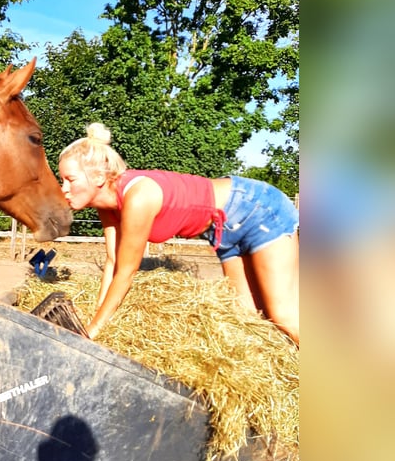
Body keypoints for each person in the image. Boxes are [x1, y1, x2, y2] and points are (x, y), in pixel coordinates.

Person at [58, 123, 299, 345]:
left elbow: (127, 272)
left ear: (98, 177)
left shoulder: (138, 197)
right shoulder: (107, 205)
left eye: (70, 179)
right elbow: (113, 260)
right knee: (247, 318)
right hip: (224, 233)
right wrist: (97, 320)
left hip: (256, 209)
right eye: (62, 180)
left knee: (283, 315)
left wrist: (92, 331)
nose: (63, 189)